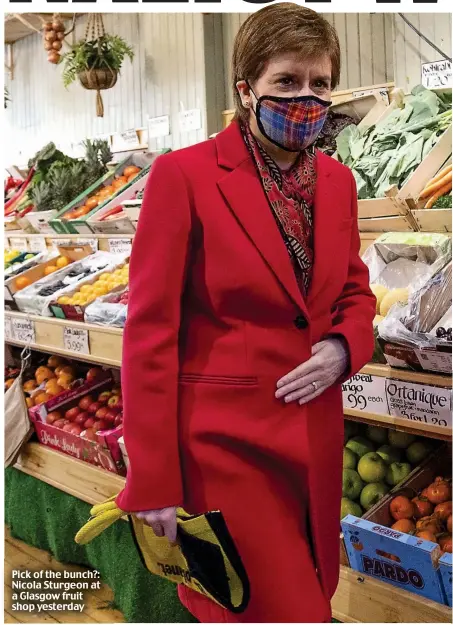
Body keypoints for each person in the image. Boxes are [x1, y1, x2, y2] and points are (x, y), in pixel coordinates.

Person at [116, 3, 376, 622]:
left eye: (319, 84)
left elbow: (354, 293)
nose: (306, 99)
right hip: (223, 449)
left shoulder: (337, 182)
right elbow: (150, 330)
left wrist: (344, 347)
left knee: (309, 593)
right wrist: (152, 475)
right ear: (246, 88)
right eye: (286, 83)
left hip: (313, 442)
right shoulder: (183, 177)